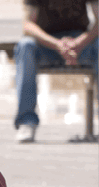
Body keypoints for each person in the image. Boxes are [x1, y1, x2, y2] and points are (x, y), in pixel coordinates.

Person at [14, 0, 98, 142]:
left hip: (80, 42)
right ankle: (26, 122)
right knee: (25, 46)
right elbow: (28, 26)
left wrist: (79, 43)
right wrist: (57, 44)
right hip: (46, 43)